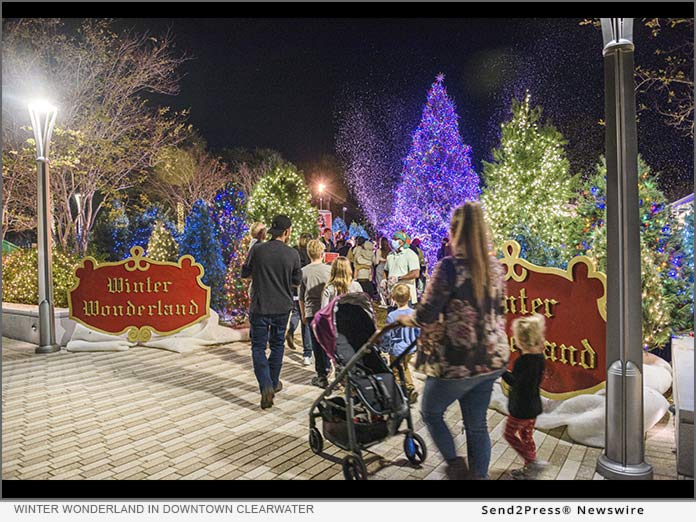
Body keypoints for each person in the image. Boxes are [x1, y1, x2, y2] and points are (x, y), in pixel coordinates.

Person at [396, 202, 510, 480]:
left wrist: (406, 319)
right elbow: (500, 309)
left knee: (431, 411)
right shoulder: (495, 268)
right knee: (477, 425)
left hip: (459, 360)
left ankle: (457, 469)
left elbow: (426, 313)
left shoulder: (449, 268)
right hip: (491, 359)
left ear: (456, 231)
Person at [241, 215, 302, 410]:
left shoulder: (257, 249)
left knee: (258, 347)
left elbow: (244, 273)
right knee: (277, 345)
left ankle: (266, 385)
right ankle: (273, 382)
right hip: (282, 307)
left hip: (260, 306)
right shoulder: (292, 254)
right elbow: (297, 281)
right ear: (287, 232)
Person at [503, 313, 548, 480]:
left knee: (508, 434)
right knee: (526, 437)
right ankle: (530, 470)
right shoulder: (539, 358)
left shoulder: (523, 362)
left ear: (520, 340)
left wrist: (502, 371)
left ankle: (532, 462)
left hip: (520, 409)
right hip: (533, 408)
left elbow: (515, 382)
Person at [299, 240, 333, 387]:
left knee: (316, 343)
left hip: (311, 310)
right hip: (327, 311)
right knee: (327, 341)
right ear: (322, 253)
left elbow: (301, 296)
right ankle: (328, 366)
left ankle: (321, 374)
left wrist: (303, 314)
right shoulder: (329, 270)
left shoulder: (303, 271)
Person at [379, 283, 420, 404]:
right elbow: (419, 331)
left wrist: (384, 347)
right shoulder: (414, 313)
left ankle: (401, 394)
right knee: (405, 368)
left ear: (393, 298)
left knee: (397, 372)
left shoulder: (392, 316)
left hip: (397, 350)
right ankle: (409, 388)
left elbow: (387, 334)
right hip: (410, 348)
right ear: (409, 297)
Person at [286, 233, 313, 364]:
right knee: (306, 318)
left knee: (296, 311)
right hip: (307, 287)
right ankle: (308, 352)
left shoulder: (294, 251)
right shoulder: (310, 254)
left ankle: (291, 330)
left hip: (295, 285)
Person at [383, 230, 420, 309]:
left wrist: (398, 278)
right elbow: (386, 270)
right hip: (392, 296)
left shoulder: (410, 254)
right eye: (393, 239)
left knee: (405, 320)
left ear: (402, 242)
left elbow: (416, 273)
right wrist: (384, 280)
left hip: (406, 297)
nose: (393, 241)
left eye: (395, 239)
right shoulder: (390, 255)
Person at [373, 237, 391, 308]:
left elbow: (376, 261)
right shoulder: (390, 251)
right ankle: (389, 300)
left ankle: (383, 302)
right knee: (387, 284)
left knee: (380, 284)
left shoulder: (378, 251)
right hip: (388, 268)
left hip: (380, 267)